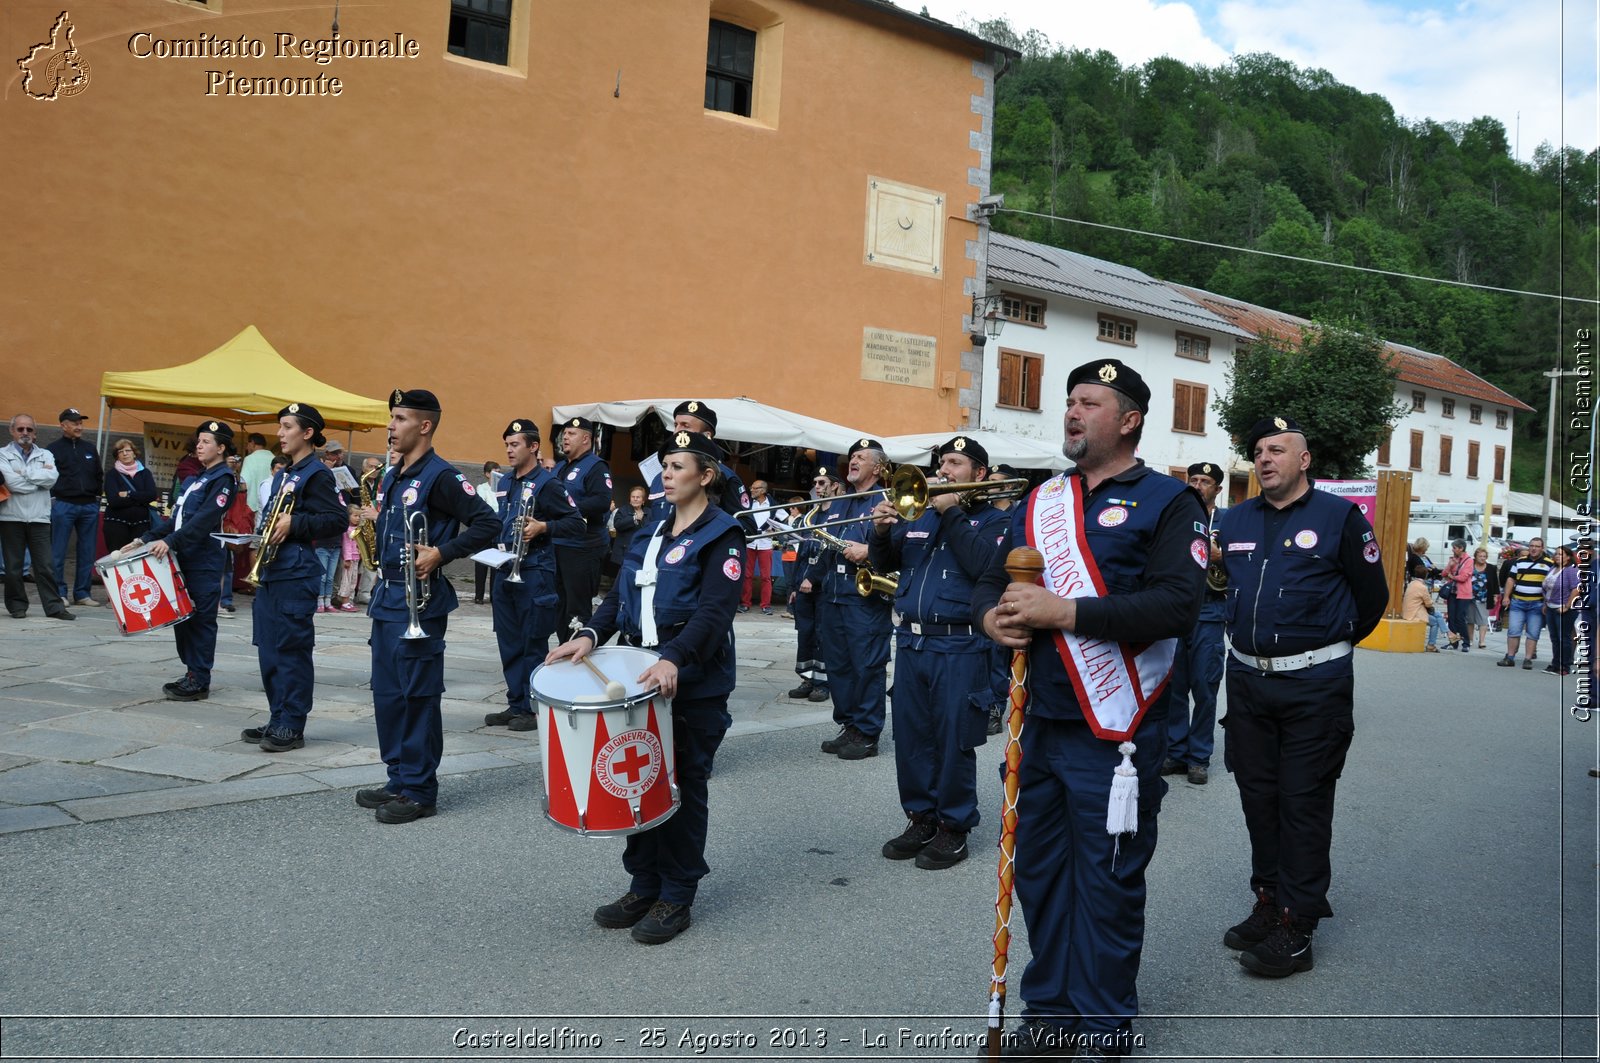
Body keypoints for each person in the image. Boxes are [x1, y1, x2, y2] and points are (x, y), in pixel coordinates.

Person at [973, 359, 1207, 1059]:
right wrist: (995, 619)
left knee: (1107, 881)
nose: (1072, 412)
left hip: (1117, 731)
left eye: (1090, 402)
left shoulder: (1168, 502)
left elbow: (1176, 605)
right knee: (1040, 875)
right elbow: (994, 581)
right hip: (1041, 721)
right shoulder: (1045, 499)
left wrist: (1066, 609)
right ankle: (1050, 1012)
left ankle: (1106, 1023)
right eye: (1070, 401)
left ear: (1129, 419)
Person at [547, 429, 743, 944]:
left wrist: (675, 658)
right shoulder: (654, 526)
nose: (667, 475)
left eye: (678, 467)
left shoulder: (722, 533)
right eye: (666, 467)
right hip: (639, 675)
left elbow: (715, 611)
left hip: (691, 681)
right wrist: (589, 634)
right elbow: (622, 594)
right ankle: (643, 882)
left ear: (706, 475)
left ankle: (677, 893)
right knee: (640, 780)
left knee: (681, 785)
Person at [1214, 415, 1387, 980]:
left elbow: (1370, 599)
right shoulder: (1234, 519)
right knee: (1258, 799)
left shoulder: (1340, 518)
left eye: (1278, 450)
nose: (1265, 459)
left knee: (1303, 803)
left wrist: (1320, 649)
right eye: (1259, 451)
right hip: (1246, 681)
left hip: (1315, 685)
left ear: (1304, 460)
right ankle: (1268, 901)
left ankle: (1298, 921)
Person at [354, 389, 497, 823]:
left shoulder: (443, 476)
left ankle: (420, 790)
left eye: (399, 419)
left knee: (417, 695)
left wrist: (442, 553)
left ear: (425, 425)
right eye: (391, 418)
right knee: (388, 694)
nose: (391, 427)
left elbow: (488, 523)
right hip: (388, 597)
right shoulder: (396, 474)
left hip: (422, 601)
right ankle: (399, 777)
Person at [868, 435, 1005, 870]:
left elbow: (987, 567)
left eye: (955, 463)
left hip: (960, 643)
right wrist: (881, 530)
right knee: (912, 737)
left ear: (979, 474)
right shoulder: (920, 513)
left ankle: (954, 826)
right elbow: (888, 563)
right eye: (942, 462)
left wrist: (950, 512)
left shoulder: (996, 522)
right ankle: (921, 817)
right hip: (911, 640)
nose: (943, 470)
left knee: (953, 739)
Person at [242, 404, 349, 753]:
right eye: (280, 426)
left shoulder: (317, 474)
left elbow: (336, 519)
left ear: (306, 434)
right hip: (275, 571)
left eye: (287, 426)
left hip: (296, 573)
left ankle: (292, 724)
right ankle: (277, 717)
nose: (280, 433)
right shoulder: (286, 473)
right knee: (269, 651)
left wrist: (296, 524)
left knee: (291, 651)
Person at [124, 421, 239, 700]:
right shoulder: (196, 479)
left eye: (206, 442)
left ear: (221, 448)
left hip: (204, 560)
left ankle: (200, 678)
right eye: (198, 441)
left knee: (201, 620)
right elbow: (176, 520)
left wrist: (170, 542)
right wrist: (145, 538)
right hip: (182, 558)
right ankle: (191, 672)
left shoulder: (223, 479)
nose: (199, 446)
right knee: (182, 617)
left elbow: (203, 521)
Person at [483, 419, 582, 732]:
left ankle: (533, 707)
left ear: (533, 447)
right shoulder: (506, 482)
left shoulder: (548, 484)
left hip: (534, 571)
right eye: (507, 445)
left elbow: (576, 523)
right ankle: (516, 703)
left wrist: (544, 527)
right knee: (508, 640)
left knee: (532, 641)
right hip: (506, 569)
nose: (510, 451)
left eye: (515, 445)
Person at [806, 439, 893, 761]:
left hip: (866, 598)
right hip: (834, 594)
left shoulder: (887, 501)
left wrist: (870, 550)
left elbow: (901, 545)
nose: (853, 461)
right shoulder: (842, 501)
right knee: (839, 667)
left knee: (867, 666)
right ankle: (850, 726)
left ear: (878, 467)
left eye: (861, 457)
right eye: (852, 456)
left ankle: (868, 732)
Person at [1163, 461, 1228, 785]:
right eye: (1194, 479)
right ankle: (1176, 751)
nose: (1198, 484)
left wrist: (1222, 556)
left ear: (1218, 488)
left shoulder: (1228, 520)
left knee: (1205, 687)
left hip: (1210, 613)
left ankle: (1199, 757)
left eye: (1205, 481)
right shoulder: (1178, 514)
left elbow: (1243, 558)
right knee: (1174, 687)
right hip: (1176, 613)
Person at [0, 415, 74, 620]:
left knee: (45, 566)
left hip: (39, 517)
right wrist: (38, 477)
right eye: (21, 429)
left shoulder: (46, 454)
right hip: (11, 517)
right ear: (12, 431)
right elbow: (11, 483)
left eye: (29, 429)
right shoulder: (1, 455)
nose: (25, 433)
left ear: (35, 433)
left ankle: (54, 607)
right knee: (13, 568)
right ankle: (17, 606)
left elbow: (52, 479)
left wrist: (22, 473)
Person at [643, 401, 753, 531]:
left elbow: (746, 527)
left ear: (706, 436)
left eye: (685, 426)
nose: (677, 431)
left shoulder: (723, 476)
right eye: (676, 425)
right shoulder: (660, 477)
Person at [551, 416, 613, 640]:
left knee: (577, 609)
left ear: (586, 438)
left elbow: (601, 501)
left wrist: (566, 508)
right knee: (558, 605)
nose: (565, 437)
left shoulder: (595, 466)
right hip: (558, 545)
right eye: (564, 433)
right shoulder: (559, 467)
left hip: (582, 549)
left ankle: (579, 653)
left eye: (571, 434)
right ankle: (562, 649)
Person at [786, 466, 837, 704]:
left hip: (824, 585)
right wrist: (795, 585)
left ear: (835, 485)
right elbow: (803, 551)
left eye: (822, 483)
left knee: (822, 634)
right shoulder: (813, 514)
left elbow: (832, 551)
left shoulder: (838, 512)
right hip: (804, 585)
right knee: (804, 634)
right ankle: (807, 677)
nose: (817, 487)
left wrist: (812, 578)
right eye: (815, 483)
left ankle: (823, 682)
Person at [47, 407, 103, 607]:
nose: (79, 426)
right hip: (63, 505)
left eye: (80, 422)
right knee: (58, 552)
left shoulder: (89, 448)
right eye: (75, 423)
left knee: (87, 551)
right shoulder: (52, 449)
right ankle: (59, 593)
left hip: (88, 506)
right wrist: (54, 500)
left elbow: (98, 474)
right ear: (63, 425)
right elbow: (48, 477)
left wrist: (96, 497)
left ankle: (82, 593)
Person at [1499, 536, 1552, 669]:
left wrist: (1547, 602)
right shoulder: (1519, 561)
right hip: (1518, 602)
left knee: (1533, 633)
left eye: (1537, 546)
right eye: (1532, 546)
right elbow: (1511, 579)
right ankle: (1510, 657)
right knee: (1513, 630)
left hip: (1537, 603)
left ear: (1542, 548)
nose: (1534, 548)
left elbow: (1551, 584)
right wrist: (1506, 596)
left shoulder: (1548, 563)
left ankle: (1527, 659)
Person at [102, 438, 158, 555]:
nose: (125, 453)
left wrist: (129, 494)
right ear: (117, 456)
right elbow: (113, 501)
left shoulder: (145, 473)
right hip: (116, 524)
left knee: (139, 558)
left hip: (141, 524)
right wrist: (140, 499)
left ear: (134, 453)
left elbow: (152, 495)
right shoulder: (112, 474)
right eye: (120, 451)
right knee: (118, 557)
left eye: (128, 450)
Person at [1543, 545, 1579, 676]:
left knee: (1564, 638)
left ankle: (1564, 666)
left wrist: (1567, 606)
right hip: (1551, 607)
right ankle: (1555, 663)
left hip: (1565, 608)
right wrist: (1545, 604)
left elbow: (1576, 589)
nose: (1557, 556)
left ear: (1568, 557)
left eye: (1561, 554)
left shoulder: (1571, 570)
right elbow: (1548, 589)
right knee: (1554, 638)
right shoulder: (1552, 569)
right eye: (1556, 554)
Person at [741, 479, 776, 613]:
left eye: (755, 488)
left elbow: (784, 521)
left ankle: (766, 605)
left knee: (766, 577)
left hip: (765, 544)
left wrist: (774, 529)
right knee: (746, 575)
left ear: (763, 490)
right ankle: (745, 603)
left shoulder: (773, 504)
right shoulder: (747, 503)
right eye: (752, 487)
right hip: (750, 542)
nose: (751, 490)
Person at [606, 485, 648, 586]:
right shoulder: (623, 510)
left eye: (638, 497)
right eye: (633, 496)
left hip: (641, 552)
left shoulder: (649, 512)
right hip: (623, 552)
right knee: (620, 581)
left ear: (643, 500)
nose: (635, 499)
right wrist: (634, 519)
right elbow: (618, 525)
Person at [473, 460, 501, 604]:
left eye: (499, 471)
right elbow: (483, 506)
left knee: (496, 562)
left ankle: (494, 594)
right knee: (481, 561)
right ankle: (479, 595)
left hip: (498, 527)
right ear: (487, 474)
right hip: (485, 527)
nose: (498, 474)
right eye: (494, 472)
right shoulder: (482, 488)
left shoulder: (502, 488)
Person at [1401, 561, 1445, 650]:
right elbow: (1429, 604)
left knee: (1438, 615)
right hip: (1415, 613)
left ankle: (1449, 634)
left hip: (1409, 611)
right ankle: (1431, 645)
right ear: (1426, 575)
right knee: (1435, 623)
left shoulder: (1411, 584)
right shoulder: (1422, 587)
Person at [1439, 539, 1472, 651]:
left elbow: (1463, 577)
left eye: (1454, 548)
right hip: (1452, 593)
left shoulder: (1468, 561)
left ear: (1461, 548)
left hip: (1463, 594)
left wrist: (1452, 577)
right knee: (1451, 618)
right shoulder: (1453, 560)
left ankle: (1466, 643)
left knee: (1460, 618)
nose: (1452, 550)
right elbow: (1444, 574)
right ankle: (1453, 642)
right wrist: (1450, 565)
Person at [1468, 546, 1500, 648]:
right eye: (1480, 556)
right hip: (1469, 595)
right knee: (1470, 619)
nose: (1482, 558)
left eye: (1484, 556)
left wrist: (1495, 595)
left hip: (1484, 596)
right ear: (1475, 557)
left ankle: (1482, 641)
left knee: (1483, 619)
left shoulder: (1491, 568)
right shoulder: (1470, 565)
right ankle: (1470, 640)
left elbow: (1495, 583)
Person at [239, 432, 274, 518]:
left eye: (248, 444)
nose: (247, 447)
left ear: (253, 443)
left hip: (253, 507)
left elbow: (244, 486)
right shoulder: (274, 458)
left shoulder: (249, 459)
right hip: (272, 505)